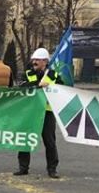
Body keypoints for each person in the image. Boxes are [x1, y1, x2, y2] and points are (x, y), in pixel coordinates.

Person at [15, 47, 63, 179]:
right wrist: (38, 84)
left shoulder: (53, 75)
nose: (34, 62)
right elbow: (22, 87)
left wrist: (51, 86)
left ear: (45, 61)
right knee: (25, 139)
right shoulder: (28, 73)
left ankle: (52, 169)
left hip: (47, 112)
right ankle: (23, 167)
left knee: (50, 141)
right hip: (30, 111)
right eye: (34, 59)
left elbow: (63, 89)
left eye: (37, 60)